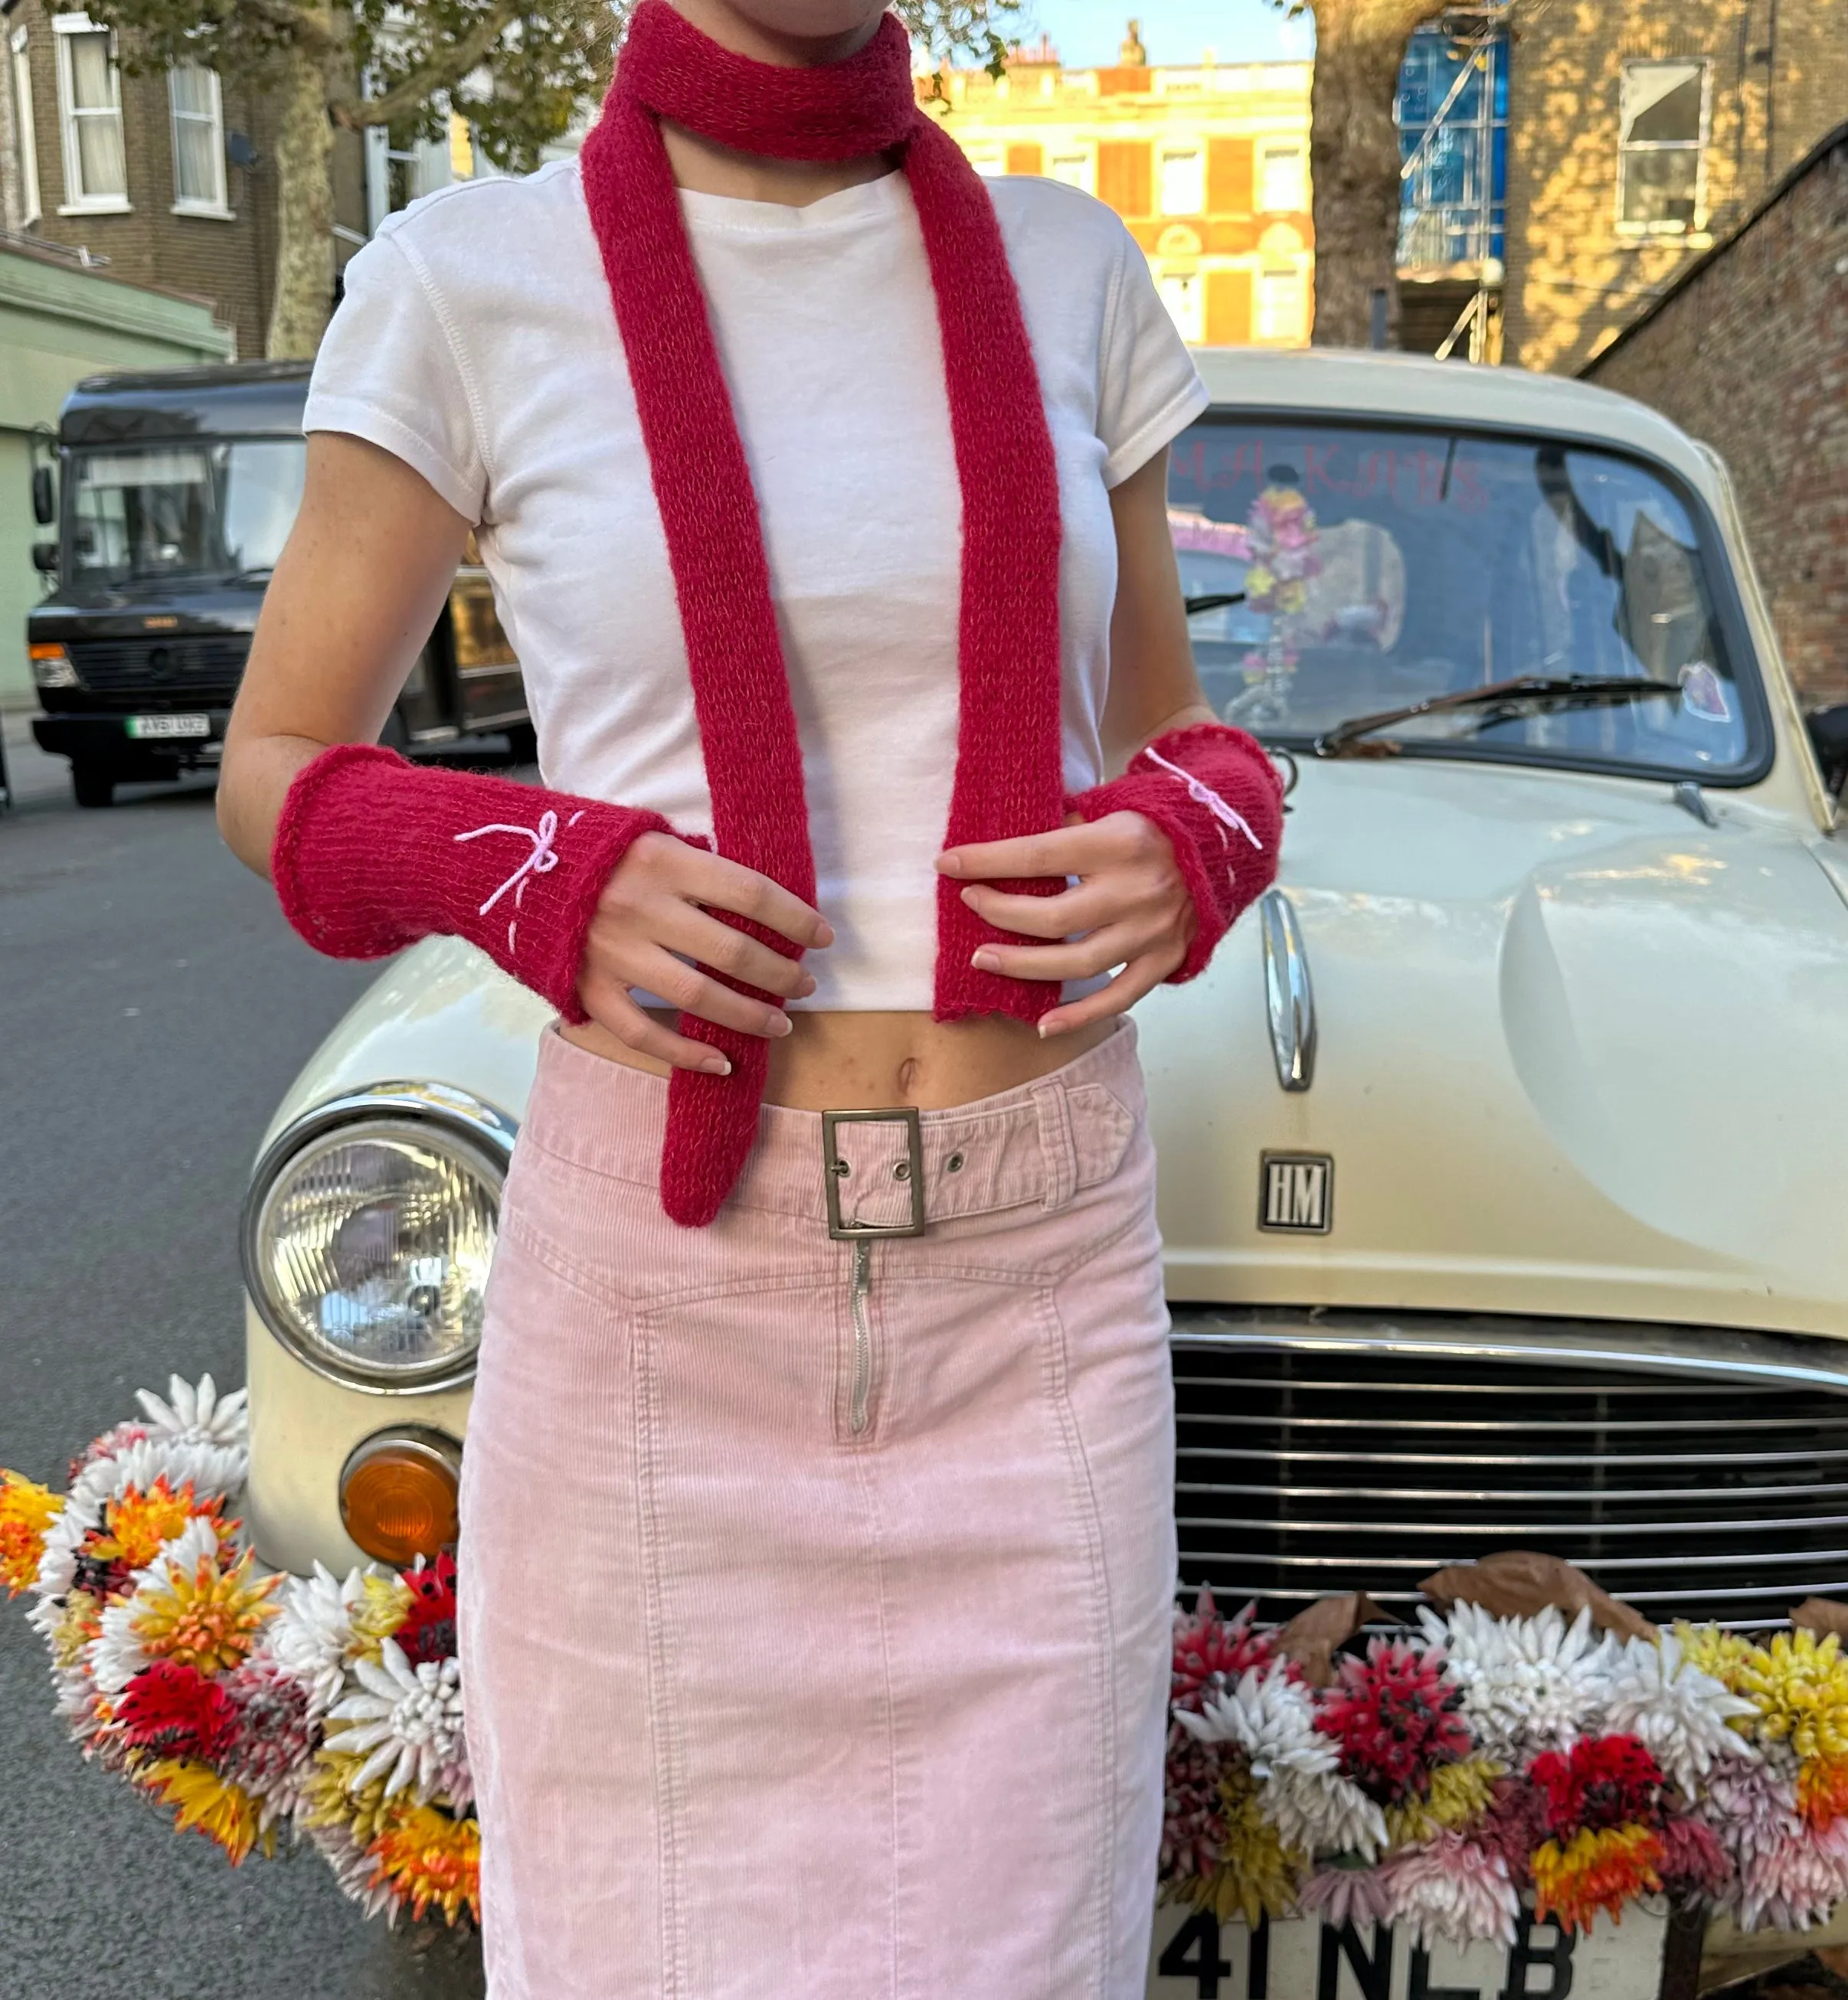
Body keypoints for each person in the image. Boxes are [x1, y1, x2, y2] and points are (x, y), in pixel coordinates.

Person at [216, 1, 1281, 1992]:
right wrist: (533, 869)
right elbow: (276, 772)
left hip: (1029, 1298)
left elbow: (1175, 738)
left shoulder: (1072, 269)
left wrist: (1204, 831)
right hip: (658, 1316)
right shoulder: (468, 279)